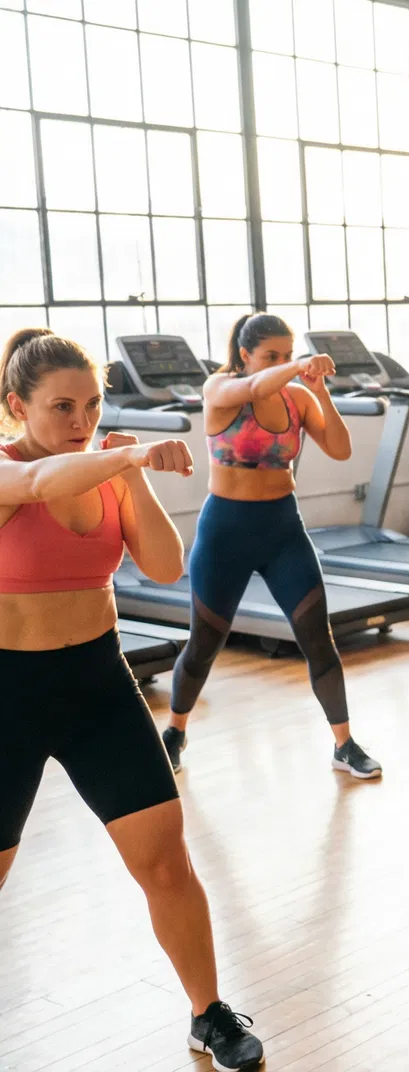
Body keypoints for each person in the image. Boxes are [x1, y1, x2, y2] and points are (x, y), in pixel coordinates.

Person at [0, 329, 265, 1070]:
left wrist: (133, 476)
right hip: (7, 691)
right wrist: (122, 453)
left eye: (91, 404)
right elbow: (33, 487)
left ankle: (208, 1014)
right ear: (16, 406)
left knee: (164, 863)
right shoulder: (6, 468)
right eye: (60, 407)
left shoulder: (111, 468)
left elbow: (165, 564)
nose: (80, 420)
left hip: (96, 683)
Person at [161, 314, 380, 778]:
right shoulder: (219, 389)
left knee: (318, 641)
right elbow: (255, 387)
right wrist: (297, 365)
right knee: (203, 644)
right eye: (271, 356)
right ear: (245, 355)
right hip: (225, 533)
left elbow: (340, 449)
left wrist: (319, 390)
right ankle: (175, 732)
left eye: (287, 353)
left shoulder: (297, 395)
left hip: (283, 531)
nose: (282, 363)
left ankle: (344, 744)